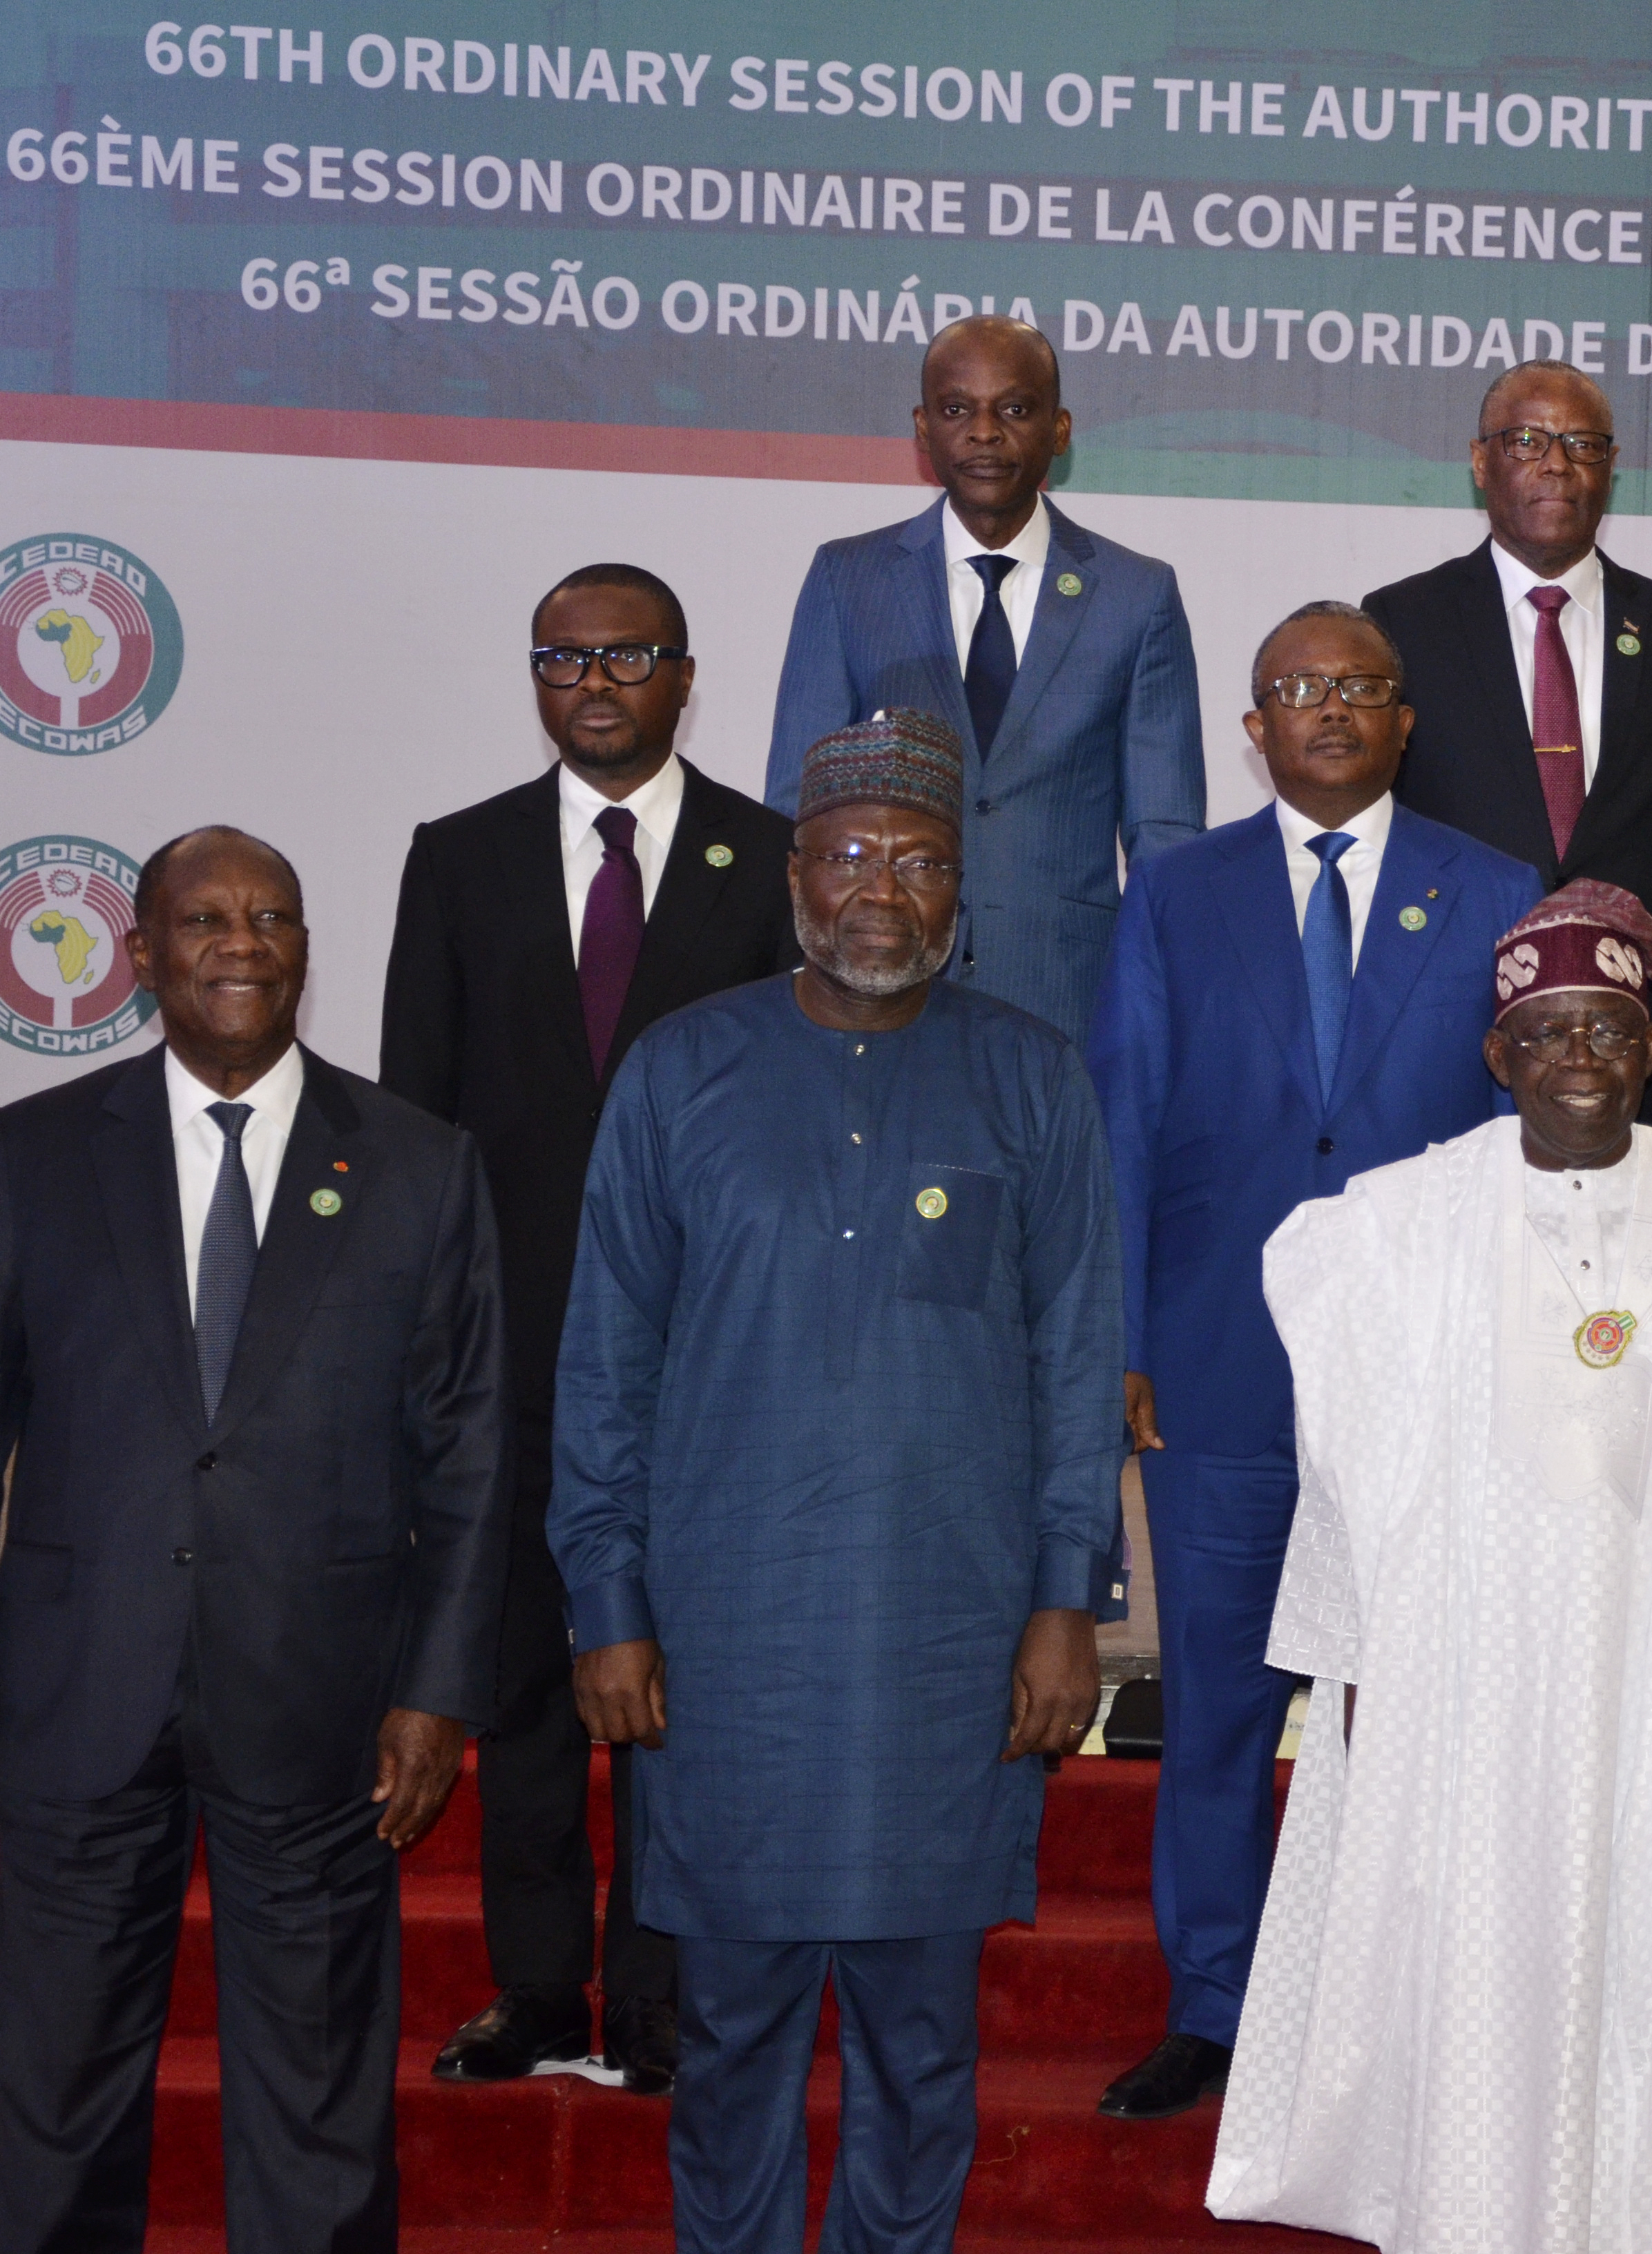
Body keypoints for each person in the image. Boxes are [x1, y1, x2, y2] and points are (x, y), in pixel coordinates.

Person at [1207, 881, 1652, 2252]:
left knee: (1640, 1990)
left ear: (1651, 1051)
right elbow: (1342, 1480)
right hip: (1455, 1704)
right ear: (1498, 1054)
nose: (1582, 1057)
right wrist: (1354, 1696)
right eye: (1550, 1031)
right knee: (1462, 2002)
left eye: (1612, 1032)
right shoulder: (1392, 1227)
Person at [550, 712, 1123, 2253]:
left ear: (964, 897)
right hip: (730, 1654)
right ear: (795, 874)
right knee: (729, 2042)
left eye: (924, 862)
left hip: (947, 1651)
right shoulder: (680, 1073)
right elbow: (605, 1362)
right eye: (854, 855)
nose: (886, 890)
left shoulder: (1033, 1079)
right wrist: (605, 1602)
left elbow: (1077, 1365)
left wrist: (1068, 1606)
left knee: (924, 2049)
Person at [0, 826, 512, 2251]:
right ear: (141, 956)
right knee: (56, 2090)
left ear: (307, 948)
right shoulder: (38, 1151)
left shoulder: (419, 1165)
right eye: (206, 919)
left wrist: (436, 1690)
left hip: (322, 1697)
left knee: (315, 2100)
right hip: (74, 1687)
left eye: (275, 917)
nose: (243, 944)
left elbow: (473, 1453)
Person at [1082, 601, 1541, 2122]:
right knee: (1213, 1702)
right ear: (1253, 726)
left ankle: (1400, 2009)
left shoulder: (1492, 889)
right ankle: (1215, 2003)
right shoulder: (1177, 892)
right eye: (1297, 688)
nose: (1329, 709)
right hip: (1215, 1364)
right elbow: (1124, 1123)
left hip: (1424, 1380)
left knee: (1409, 1717)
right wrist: (1127, 1341)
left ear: (1406, 718)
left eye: (1358, 687)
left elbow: (1514, 1147)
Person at [383, 561, 800, 2099]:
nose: (598, 679)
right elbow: (418, 1129)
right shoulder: (460, 858)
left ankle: (663, 2000)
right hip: (508, 1364)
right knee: (527, 1693)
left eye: (630, 654)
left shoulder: (770, 861)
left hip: (708, 1368)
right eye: (567, 656)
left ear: (685, 675)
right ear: (538, 679)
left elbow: (791, 1122)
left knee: (674, 1699)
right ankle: (542, 1990)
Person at [767, 314, 1204, 1045]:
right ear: (921, 427)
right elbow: (797, 803)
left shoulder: (1138, 595)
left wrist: (1148, 1001)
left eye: (1015, 409)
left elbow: (1165, 834)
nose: (984, 432)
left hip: (1067, 990)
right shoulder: (849, 579)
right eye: (956, 409)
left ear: (1059, 430)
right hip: (879, 983)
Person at [1365, 358, 1652, 1144]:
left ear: (1611, 468)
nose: (1556, 462)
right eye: (1526, 440)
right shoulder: (1402, 623)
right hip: (1452, 1035)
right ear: (1480, 462)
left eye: (1582, 443)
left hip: (1635, 1050)